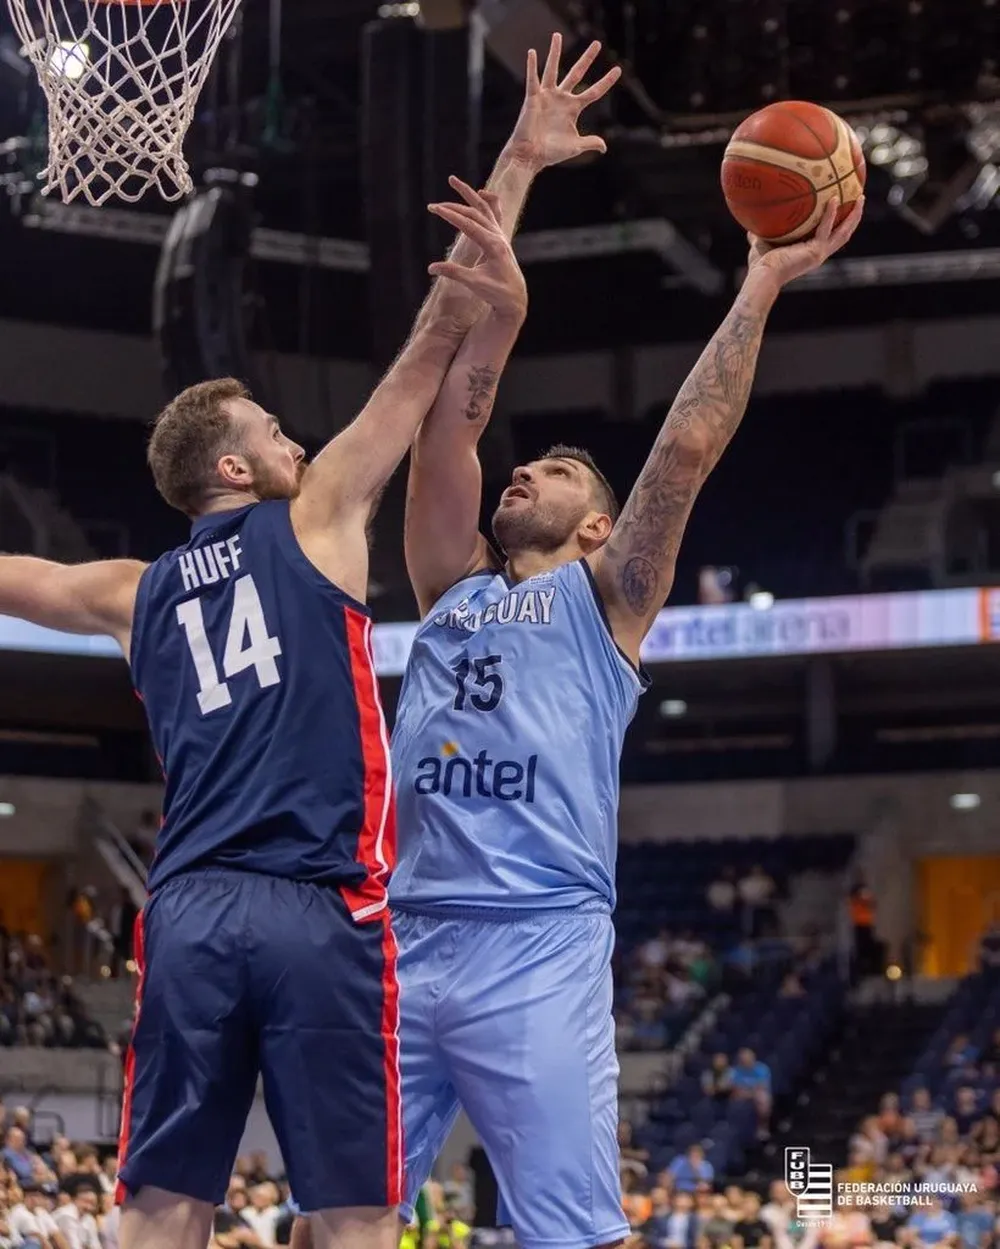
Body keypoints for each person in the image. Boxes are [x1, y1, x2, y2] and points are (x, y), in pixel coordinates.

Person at [388, 15, 865, 1239]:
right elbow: (444, 419)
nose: (522, 473)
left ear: (597, 530)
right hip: (401, 936)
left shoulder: (603, 603)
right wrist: (522, 173)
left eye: (550, 471)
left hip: (537, 951)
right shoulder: (449, 585)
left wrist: (758, 281)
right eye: (527, 462)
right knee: (336, 1214)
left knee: (571, 1232)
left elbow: (686, 450)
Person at [0, 172, 527, 1249]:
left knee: (160, 1202)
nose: (297, 440)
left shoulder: (130, 589)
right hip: (315, 902)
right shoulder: (321, 512)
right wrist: (513, 176)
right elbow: (426, 358)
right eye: (274, 430)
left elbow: (19, 575)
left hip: (187, 909)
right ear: (235, 464)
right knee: (353, 1208)